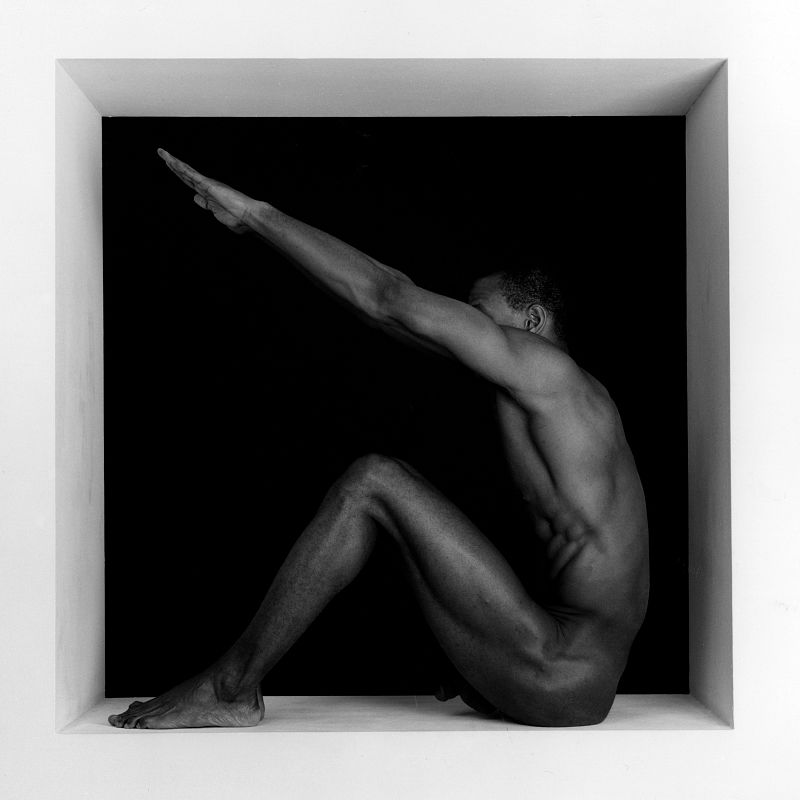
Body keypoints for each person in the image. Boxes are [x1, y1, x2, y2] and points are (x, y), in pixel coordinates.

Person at [108, 149, 649, 729]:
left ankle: (230, 686)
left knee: (374, 481)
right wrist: (269, 238)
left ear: (534, 322)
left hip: (559, 672)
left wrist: (257, 214)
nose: (462, 324)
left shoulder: (550, 374)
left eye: (476, 315)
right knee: (394, 497)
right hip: (569, 668)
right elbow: (388, 305)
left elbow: (388, 297)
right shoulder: (559, 395)